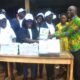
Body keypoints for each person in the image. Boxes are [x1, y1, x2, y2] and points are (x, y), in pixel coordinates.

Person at [54, 5, 80, 80]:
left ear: (75, 11)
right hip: (71, 47)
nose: (68, 11)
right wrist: (54, 33)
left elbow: (68, 33)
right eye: (68, 10)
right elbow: (65, 29)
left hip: (77, 48)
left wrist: (54, 35)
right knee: (73, 67)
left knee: (77, 69)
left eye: (70, 10)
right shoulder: (71, 21)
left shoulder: (78, 20)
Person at [17, 13, 39, 80]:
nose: (29, 22)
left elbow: (38, 37)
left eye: (31, 21)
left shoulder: (35, 29)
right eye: (27, 21)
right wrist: (35, 41)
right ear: (25, 21)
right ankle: (25, 77)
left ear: (33, 21)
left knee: (34, 64)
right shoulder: (22, 29)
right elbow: (24, 39)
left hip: (34, 51)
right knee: (25, 64)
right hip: (25, 51)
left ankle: (33, 77)